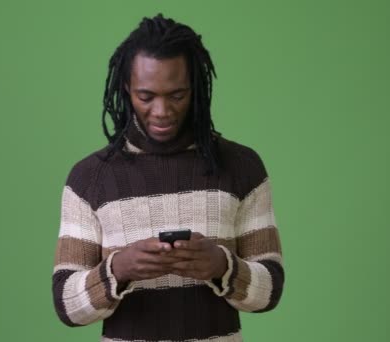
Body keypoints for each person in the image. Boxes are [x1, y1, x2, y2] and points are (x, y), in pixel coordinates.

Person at [51, 13, 284, 342]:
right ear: (126, 89)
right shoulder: (90, 178)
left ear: (197, 90)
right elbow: (66, 306)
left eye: (177, 95)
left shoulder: (241, 166)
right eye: (146, 97)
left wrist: (222, 266)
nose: (161, 111)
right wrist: (120, 269)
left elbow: (270, 291)